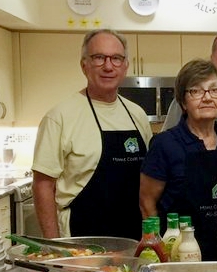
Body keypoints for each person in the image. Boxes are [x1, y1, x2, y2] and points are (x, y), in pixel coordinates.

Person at [32, 29, 152, 240]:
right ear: (84, 65)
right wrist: (54, 246)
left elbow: (148, 182)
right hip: (80, 240)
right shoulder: (60, 117)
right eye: (99, 58)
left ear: (125, 66)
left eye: (116, 58)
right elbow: (43, 185)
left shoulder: (137, 115)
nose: (108, 66)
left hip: (133, 239)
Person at [139, 59, 217, 261]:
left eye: (214, 90)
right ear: (183, 102)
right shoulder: (165, 144)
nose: (207, 98)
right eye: (196, 91)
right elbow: (147, 202)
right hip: (178, 255)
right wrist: (160, 253)